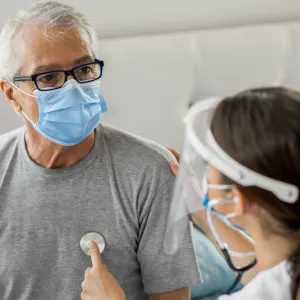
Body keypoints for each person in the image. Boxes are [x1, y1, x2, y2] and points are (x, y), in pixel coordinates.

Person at [0, 1, 201, 299]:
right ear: (12, 95)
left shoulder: (151, 173)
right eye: (48, 77)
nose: (72, 88)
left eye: (83, 70)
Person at [81, 87, 300, 300]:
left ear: (238, 198)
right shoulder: (283, 278)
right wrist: (200, 211)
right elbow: (268, 277)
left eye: (210, 162)